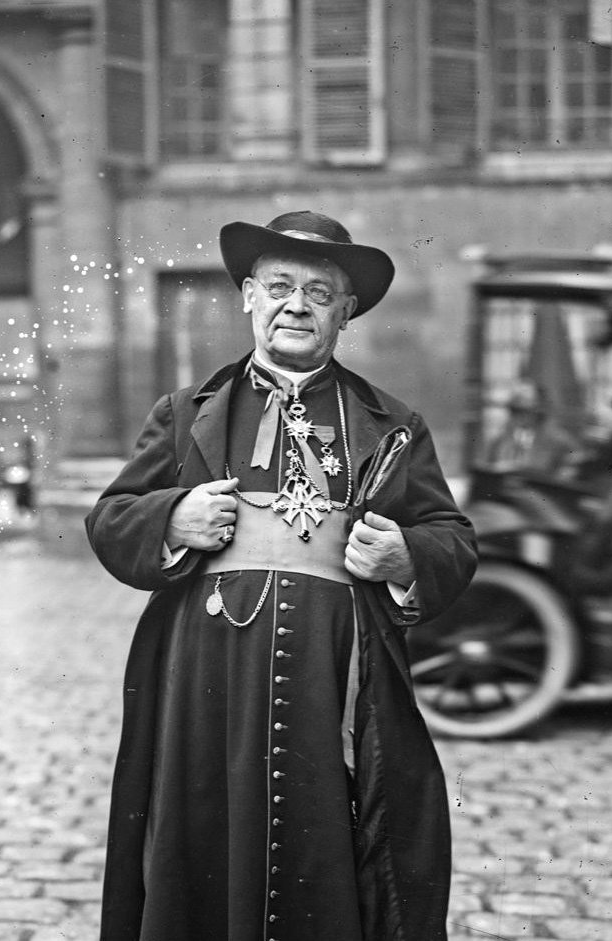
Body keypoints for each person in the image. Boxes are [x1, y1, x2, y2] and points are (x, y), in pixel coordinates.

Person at [85, 210, 478, 941]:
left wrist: (405, 557)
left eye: (319, 293)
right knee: (202, 847)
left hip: (337, 681)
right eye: (278, 287)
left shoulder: (393, 424)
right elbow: (110, 519)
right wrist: (171, 518)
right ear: (248, 296)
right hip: (207, 686)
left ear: (345, 311)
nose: (296, 305)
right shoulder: (185, 415)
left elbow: (451, 538)